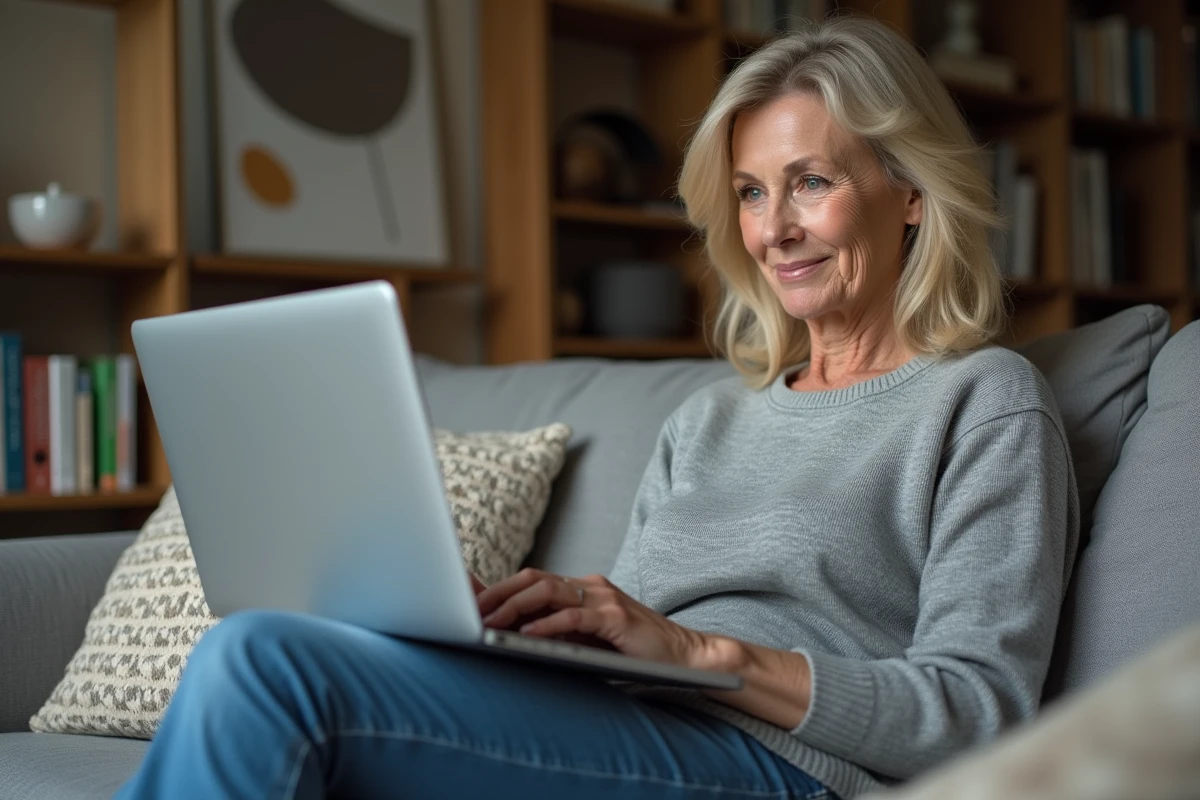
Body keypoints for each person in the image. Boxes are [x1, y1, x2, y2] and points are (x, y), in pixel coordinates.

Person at [114, 14, 1078, 800]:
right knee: (292, 642)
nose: (773, 228)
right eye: (749, 193)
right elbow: (636, 648)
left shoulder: (982, 403)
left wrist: (704, 652)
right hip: (637, 729)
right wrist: (543, 627)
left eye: (811, 183)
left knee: (265, 663)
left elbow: (977, 712)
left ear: (909, 193)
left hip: (785, 768)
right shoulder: (709, 422)